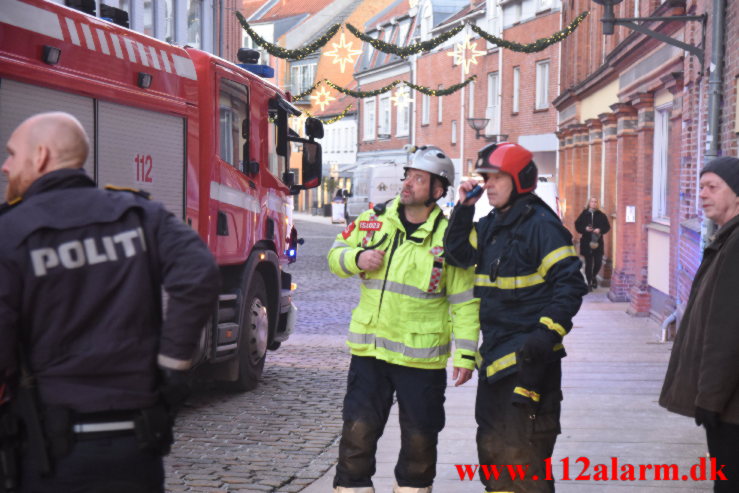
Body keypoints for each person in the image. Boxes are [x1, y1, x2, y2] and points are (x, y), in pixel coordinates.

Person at [0, 112, 219, 493]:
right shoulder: (139, 214)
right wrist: (173, 364)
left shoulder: (10, 231)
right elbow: (199, 273)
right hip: (135, 451)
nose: (5, 166)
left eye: (11, 154)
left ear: (40, 156)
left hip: (46, 451)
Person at [327, 145, 480, 493]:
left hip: (420, 359)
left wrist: (467, 354)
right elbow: (335, 254)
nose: (407, 183)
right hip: (370, 354)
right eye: (407, 176)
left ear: (438, 191)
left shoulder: (452, 238)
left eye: (418, 178)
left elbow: (465, 301)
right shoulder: (374, 220)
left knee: (420, 441)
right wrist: (357, 257)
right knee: (357, 434)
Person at [444, 142, 588, 493]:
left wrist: (545, 334)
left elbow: (570, 283)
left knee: (525, 460)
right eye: (485, 178)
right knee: (493, 457)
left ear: (520, 180)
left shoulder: (541, 226)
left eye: (496, 178)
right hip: (494, 362)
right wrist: (464, 209)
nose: (488, 185)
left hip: (528, 363)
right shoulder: (494, 223)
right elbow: (457, 253)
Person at [660, 156, 739, 493]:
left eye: (712, 187)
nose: (703, 194)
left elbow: (726, 332)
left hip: (730, 410)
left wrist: (709, 399)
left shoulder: (736, 246)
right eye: (701, 187)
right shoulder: (727, 240)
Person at [574, 197, 611, 290]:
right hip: (587, 242)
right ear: (589, 203)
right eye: (592, 202)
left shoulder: (601, 215)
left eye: (595, 202)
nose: (594, 203)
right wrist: (585, 229)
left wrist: (600, 230)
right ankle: (589, 283)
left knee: (598, 262)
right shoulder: (584, 214)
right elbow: (577, 225)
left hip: (597, 242)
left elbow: (607, 226)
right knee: (589, 264)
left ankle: (593, 276)